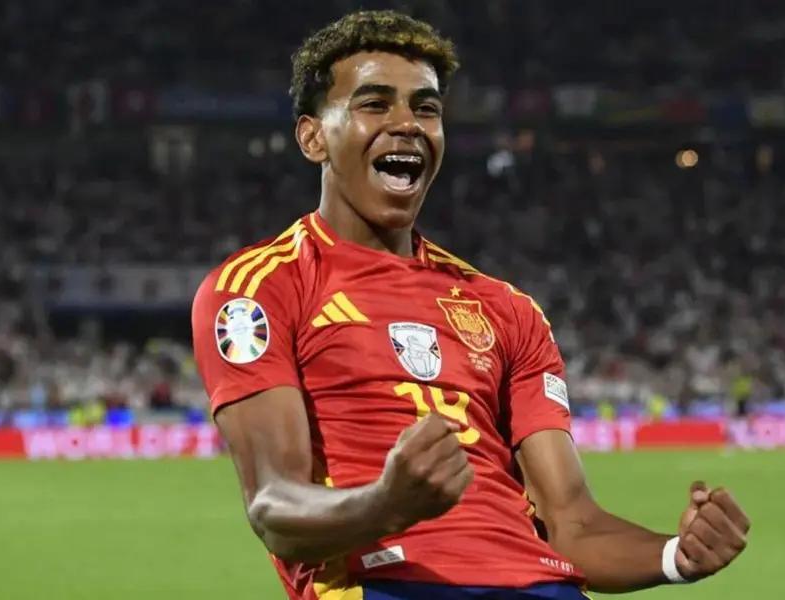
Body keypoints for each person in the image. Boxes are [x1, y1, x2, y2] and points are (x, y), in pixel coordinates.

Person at [191, 10, 750, 599]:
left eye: (425, 108)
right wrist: (386, 504)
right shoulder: (258, 289)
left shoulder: (506, 309)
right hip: (388, 583)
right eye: (375, 104)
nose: (406, 124)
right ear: (313, 137)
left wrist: (676, 555)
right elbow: (275, 507)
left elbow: (573, 524)